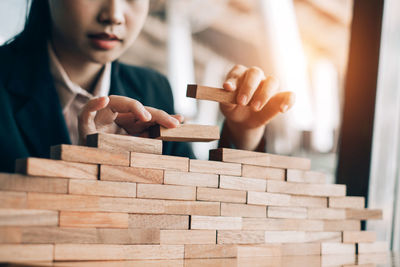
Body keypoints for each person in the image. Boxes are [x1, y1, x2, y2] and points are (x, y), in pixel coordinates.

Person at [0, 0, 295, 173]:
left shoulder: (153, 88)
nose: (114, 14)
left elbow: (198, 208)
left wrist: (243, 133)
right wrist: (86, 167)